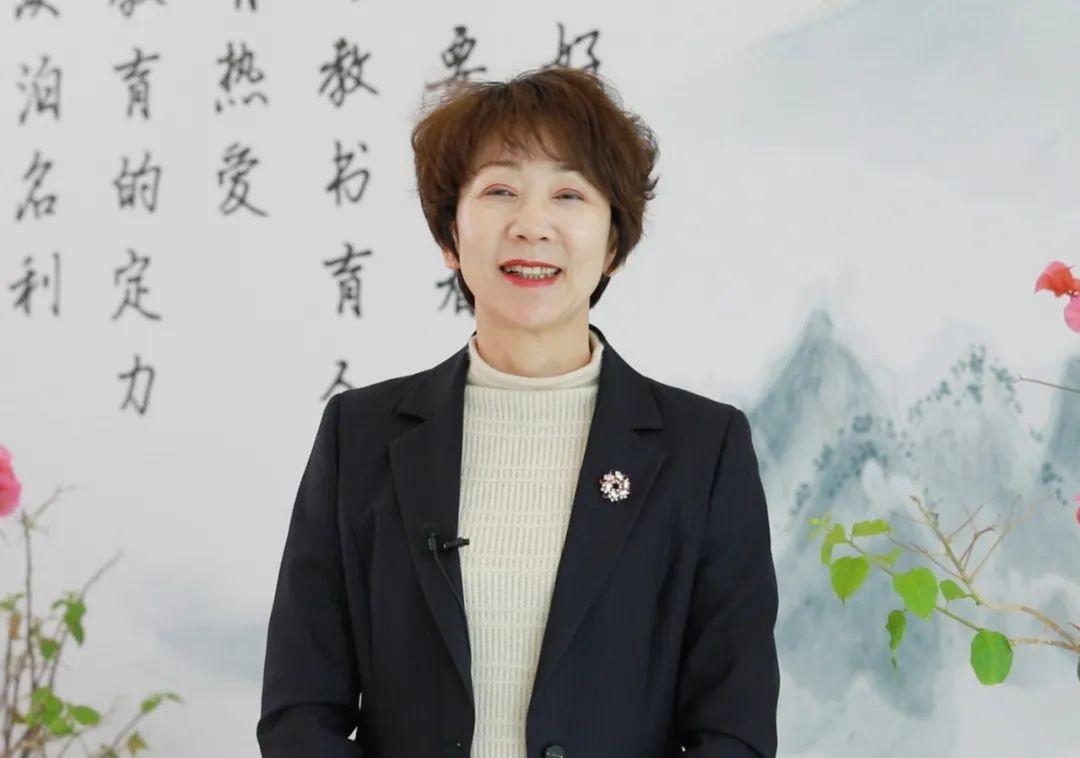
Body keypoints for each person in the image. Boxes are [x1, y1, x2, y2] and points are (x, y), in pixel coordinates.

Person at [257, 66, 780, 758]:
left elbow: (735, 730)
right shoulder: (359, 435)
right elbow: (300, 713)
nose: (531, 226)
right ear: (450, 237)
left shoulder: (704, 450)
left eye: (569, 194)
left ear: (614, 245)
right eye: (499, 191)